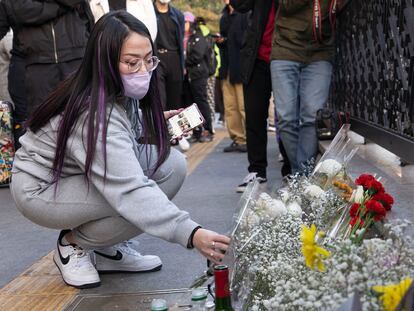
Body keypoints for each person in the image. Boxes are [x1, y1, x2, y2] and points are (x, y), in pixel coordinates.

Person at [10, 11, 230, 289]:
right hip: (41, 188)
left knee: (171, 166)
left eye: (149, 59)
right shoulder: (91, 112)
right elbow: (129, 189)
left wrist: (156, 122)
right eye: (131, 62)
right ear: (105, 62)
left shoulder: (116, 91)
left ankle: (106, 249)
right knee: (137, 195)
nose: (143, 70)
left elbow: (119, 136)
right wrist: (192, 233)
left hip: (76, 174)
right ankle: (72, 245)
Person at [230, 0, 291, 193]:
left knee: (288, 117)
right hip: (257, 58)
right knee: (254, 116)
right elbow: (239, 4)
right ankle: (257, 171)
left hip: (289, 56)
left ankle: (290, 170)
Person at [270, 0, 337, 173]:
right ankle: (299, 176)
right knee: (286, 117)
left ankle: (302, 177)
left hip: (321, 49)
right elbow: (286, 5)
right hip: (285, 48)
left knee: (311, 115)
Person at [7, 0, 94, 115]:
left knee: (82, 119)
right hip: (38, 64)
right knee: (42, 124)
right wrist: (60, 8)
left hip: (75, 58)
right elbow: (21, 10)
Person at [218, 0, 248, 153]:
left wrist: (228, 40)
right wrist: (221, 41)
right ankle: (238, 138)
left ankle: (249, 139)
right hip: (227, 67)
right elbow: (225, 40)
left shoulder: (244, 13)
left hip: (240, 67)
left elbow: (245, 39)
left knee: (243, 106)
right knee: (230, 107)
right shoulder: (224, 15)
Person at [185, 13, 214, 143]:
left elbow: (197, 55)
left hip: (198, 74)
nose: (183, 24)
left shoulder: (197, 36)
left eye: (185, 22)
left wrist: (184, 61)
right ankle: (196, 131)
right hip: (188, 75)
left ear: (190, 23)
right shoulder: (185, 36)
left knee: (201, 102)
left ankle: (208, 130)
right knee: (191, 105)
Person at [154, 0, 185, 111]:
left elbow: (180, 40)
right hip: (156, 58)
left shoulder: (178, 15)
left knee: (175, 100)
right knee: (159, 99)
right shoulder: (149, 13)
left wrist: (183, 65)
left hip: (174, 58)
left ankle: (173, 128)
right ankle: (159, 127)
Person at [88, 0, 158, 41]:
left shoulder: (143, 2)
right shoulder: (95, 2)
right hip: (106, 54)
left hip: (135, 53)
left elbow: (151, 30)